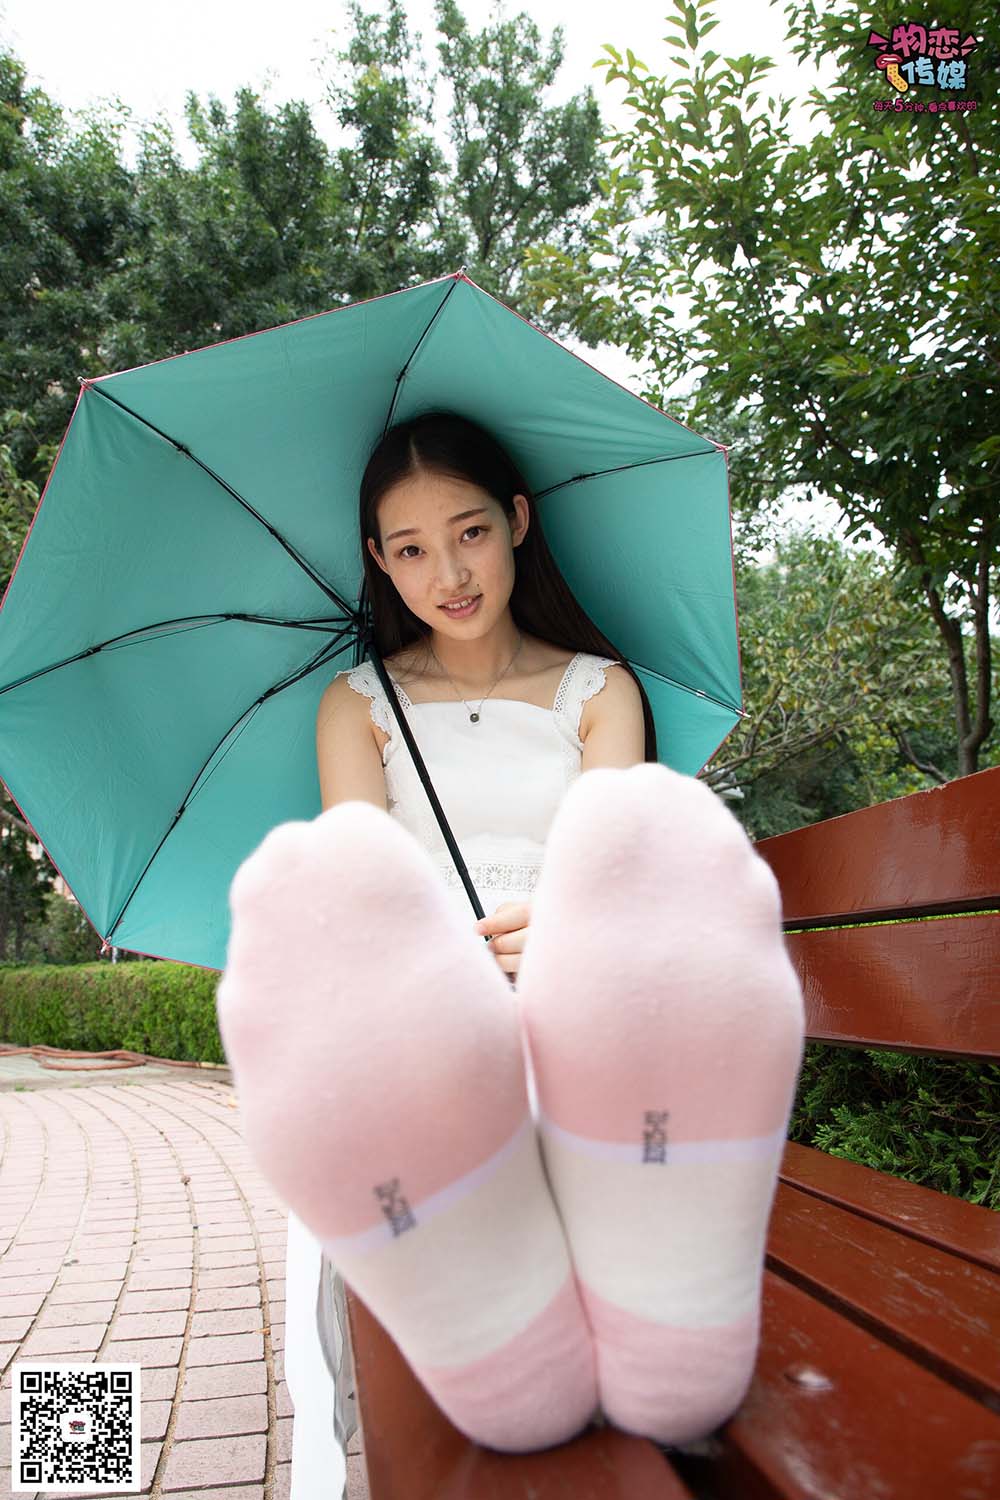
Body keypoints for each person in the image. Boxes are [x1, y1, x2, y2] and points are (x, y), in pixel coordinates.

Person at [216, 411, 805, 1492]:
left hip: (575, 987)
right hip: (428, 1002)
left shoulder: (599, 690)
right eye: (410, 550)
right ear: (378, 561)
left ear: (519, 521)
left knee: (589, 1000)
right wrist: (440, 964)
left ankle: (581, 1288)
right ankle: (533, 1276)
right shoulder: (356, 705)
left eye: (470, 532)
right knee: (408, 1068)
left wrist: (566, 932)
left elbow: (611, 861)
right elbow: (359, 887)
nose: (446, 574)